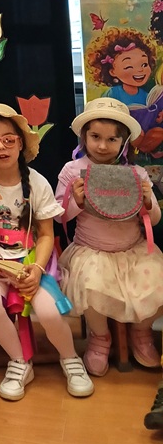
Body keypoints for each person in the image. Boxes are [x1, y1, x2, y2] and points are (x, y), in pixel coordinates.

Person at [0, 104, 93, 401]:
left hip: (32, 260)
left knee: (48, 311)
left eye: (8, 139)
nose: (1, 147)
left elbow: (46, 235)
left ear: (20, 143)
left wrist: (37, 269)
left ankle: (70, 358)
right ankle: (19, 361)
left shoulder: (37, 183)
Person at [54, 98, 163, 376]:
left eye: (112, 139)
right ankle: (100, 337)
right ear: (84, 137)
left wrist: (147, 202)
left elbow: (155, 219)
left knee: (158, 283)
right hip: (92, 251)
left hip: (134, 251)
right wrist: (76, 202)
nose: (102, 146)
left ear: (124, 141)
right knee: (91, 287)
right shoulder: (72, 171)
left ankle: (141, 331)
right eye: (95, 137)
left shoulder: (136, 173)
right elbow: (58, 216)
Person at [84, 27, 156, 106]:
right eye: (129, 67)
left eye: (144, 64)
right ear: (112, 71)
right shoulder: (112, 94)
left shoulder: (147, 96)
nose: (140, 70)